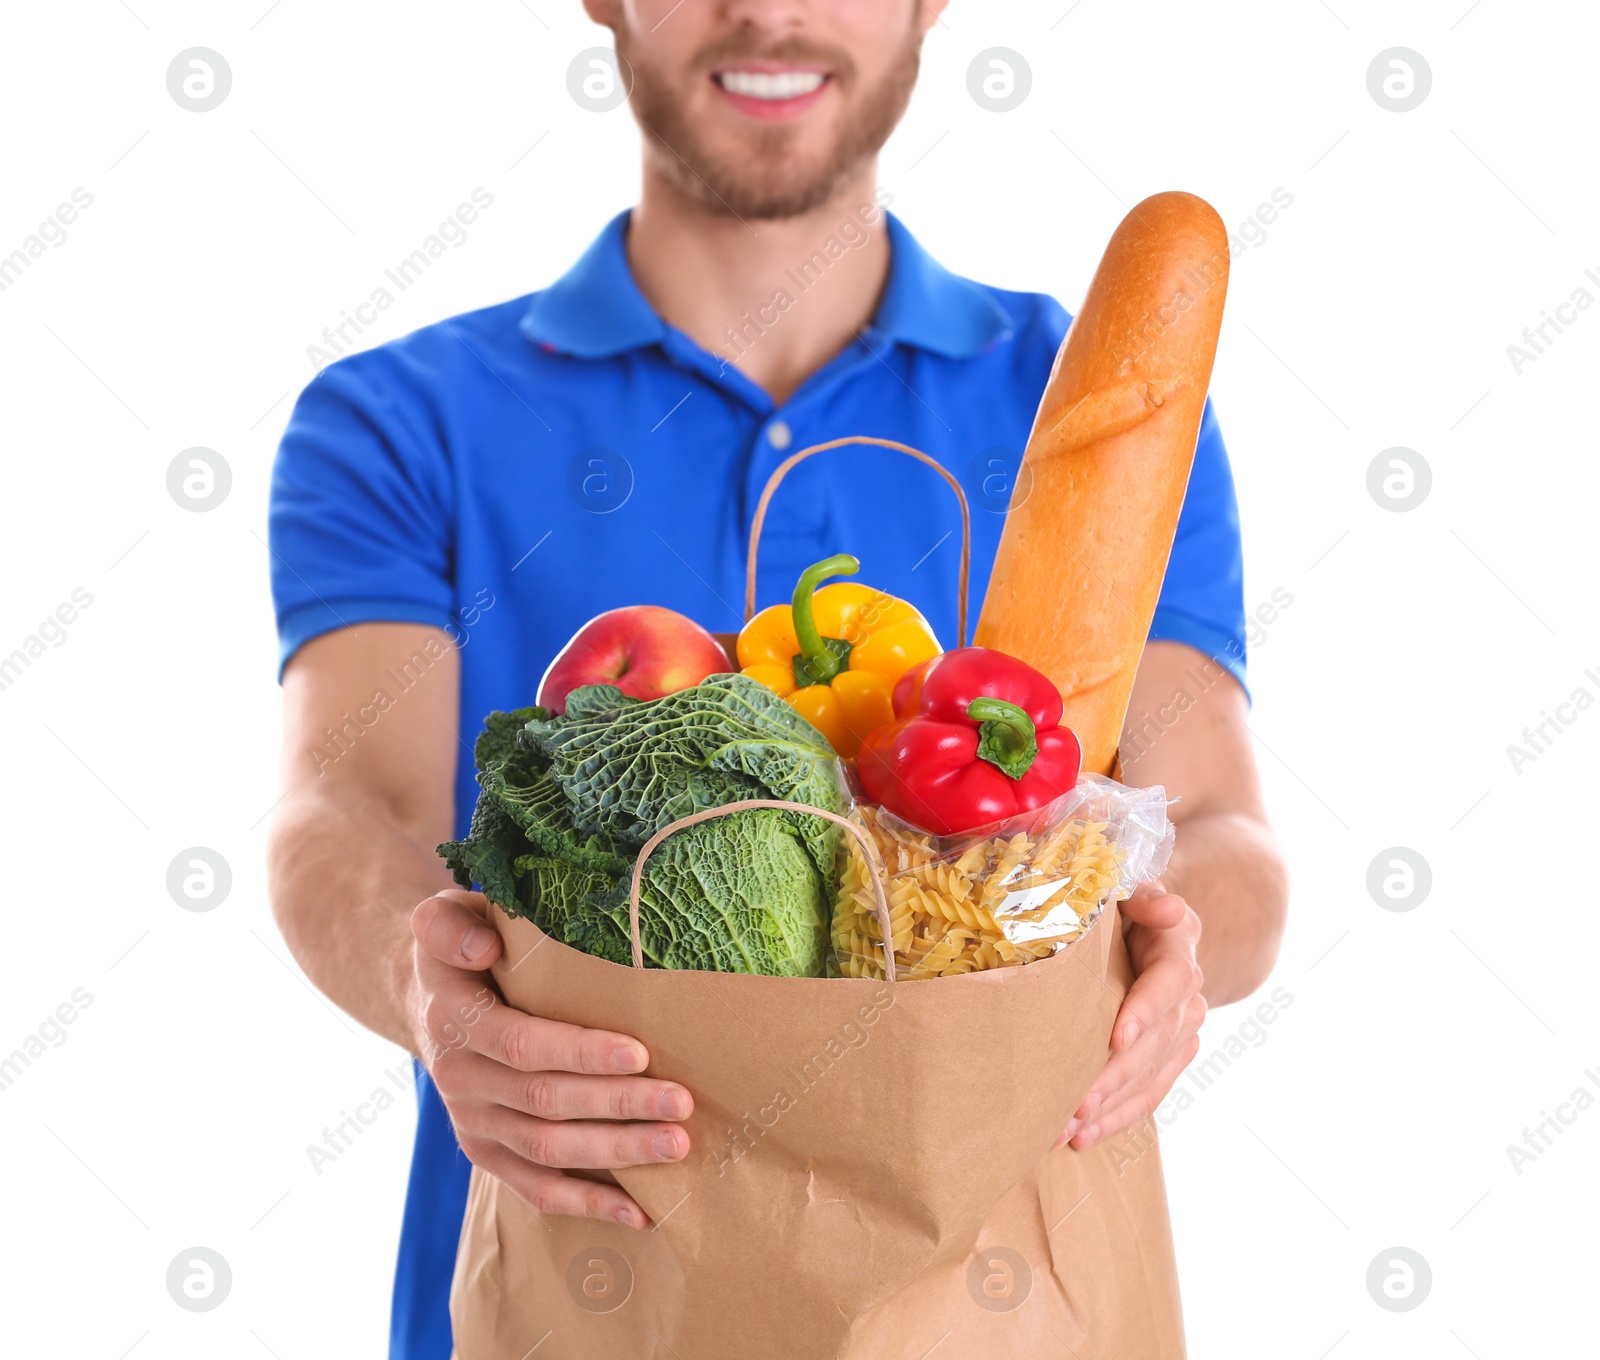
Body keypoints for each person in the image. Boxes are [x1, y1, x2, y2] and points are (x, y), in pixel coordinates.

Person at [266, 1, 1289, 1354]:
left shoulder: (1079, 396)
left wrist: (1167, 964)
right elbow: (344, 815)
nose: (773, 9)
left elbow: (1219, 827)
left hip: (990, 1300)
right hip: (582, 1277)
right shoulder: (399, 418)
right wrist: (423, 986)